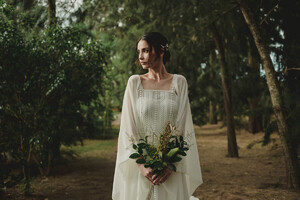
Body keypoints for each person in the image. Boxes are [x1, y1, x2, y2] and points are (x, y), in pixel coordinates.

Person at [112, 32, 202, 200]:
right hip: (141, 167)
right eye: (139, 52)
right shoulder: (134, 83)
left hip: (170, 168)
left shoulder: (179, 82)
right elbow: (128, 129)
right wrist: (141, 165)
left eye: (145, 51)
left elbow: (181, 128)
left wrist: (170, 165)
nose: (140, 57)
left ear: (161, 50)